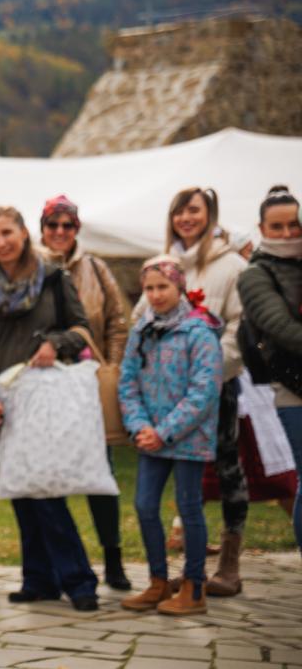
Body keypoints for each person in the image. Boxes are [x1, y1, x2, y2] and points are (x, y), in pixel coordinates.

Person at [0, 206, 100, 610]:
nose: (1, 241)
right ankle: (39, 579)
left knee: (45, 492)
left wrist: (55, 344)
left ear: (24, 233)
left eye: (7, 232)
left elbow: (82, 330)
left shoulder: (52, 278)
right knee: (22, 492)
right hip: (5, 402)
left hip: (46, 399)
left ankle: (80, 581)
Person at [147, 187, 248, 595]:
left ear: (210, 215)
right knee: (185, 474)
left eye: (193, 210)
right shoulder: (163, 264)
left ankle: (229, 565)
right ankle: (192, 567)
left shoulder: (231, 266)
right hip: (170, 391)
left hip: (216, 384)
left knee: (227, 468)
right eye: (179, 212)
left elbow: (240, 326)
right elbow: (145, 317)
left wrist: (210, 371)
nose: (185, 218)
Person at [119, 256, 223, 615]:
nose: (156, 294)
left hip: (188, 438)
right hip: (150, 436)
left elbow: (204, 391)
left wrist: (164, 432)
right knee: (145, 505)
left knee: (189, 505)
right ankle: (158, 580)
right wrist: (140, 427)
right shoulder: (142, 331)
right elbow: (128, 382)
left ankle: (194, 587)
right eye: (149, 288)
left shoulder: (199, 332)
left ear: (180, 287)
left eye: (163, 286)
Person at [39, 194, 132, 590]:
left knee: (100, 474)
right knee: (49, 475)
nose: (60, 232)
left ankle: (113, 558)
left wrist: (111, 367)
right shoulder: (31, 267)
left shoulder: (95, 268)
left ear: (77, 229)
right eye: (53, 224)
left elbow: (117, 322)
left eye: (68, 225)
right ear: (42, 228)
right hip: (46, 383)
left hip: (89, 382)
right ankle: (61, 562)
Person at [238, 185, 302, 555]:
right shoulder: (256, 273)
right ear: (262, 229)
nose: (287, 234)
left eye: (293, 225)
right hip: (292, 387)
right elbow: (279, 327)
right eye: (277, 227)